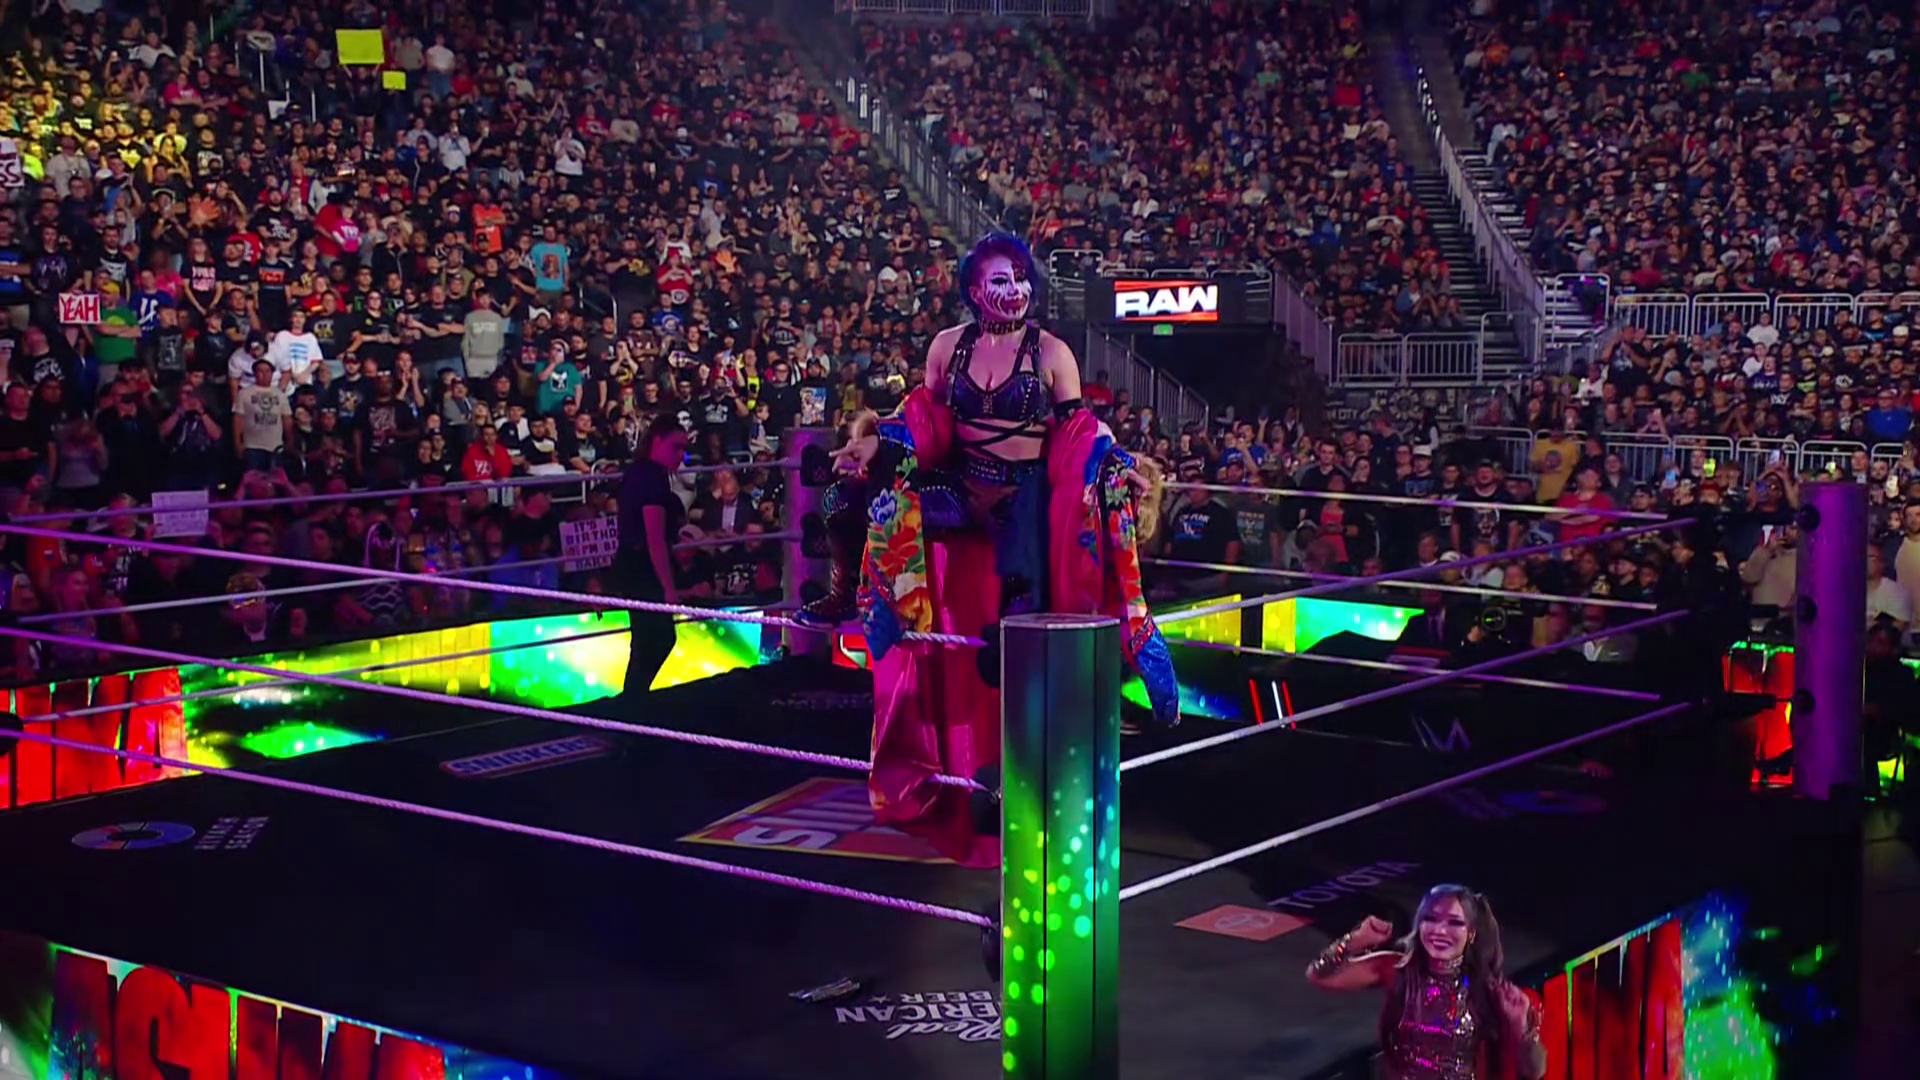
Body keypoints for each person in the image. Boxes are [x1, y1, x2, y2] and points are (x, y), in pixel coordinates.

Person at [793, 232, 1177, 864]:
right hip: (960, 485)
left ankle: (1049, 744)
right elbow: (927, 424)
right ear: (974, 289)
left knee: (1015, 626)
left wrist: (1116, 464)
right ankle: (854, 595)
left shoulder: (1051, 352)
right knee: (848, 500)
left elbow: (1078, 432)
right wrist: (877, 444)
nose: (1015, 289)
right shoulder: (949, 347)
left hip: (1022, 494)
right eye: (1001, 279)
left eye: (1021, 278)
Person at [1307, 884, 1546, 1080]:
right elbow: (1320, 975)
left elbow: (1534, 1071)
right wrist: (1355, 940)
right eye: (1431, 919)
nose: (1440, 931)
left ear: (1471, 933)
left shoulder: (1491, 991)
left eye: (1454, 922)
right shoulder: (1399, 970)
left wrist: (1520, 1028)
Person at [615, 423, 689, 695]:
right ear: (657, 441)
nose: (681, 455)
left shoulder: (641, 472)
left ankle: (633, 698)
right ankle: (632, 698)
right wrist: (668, 587)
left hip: (633, 563)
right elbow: (654, 536)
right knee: (657, 638)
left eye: (683, 449)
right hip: (642, 566)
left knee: (648, 639)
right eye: (676, 447)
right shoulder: (651, 476)